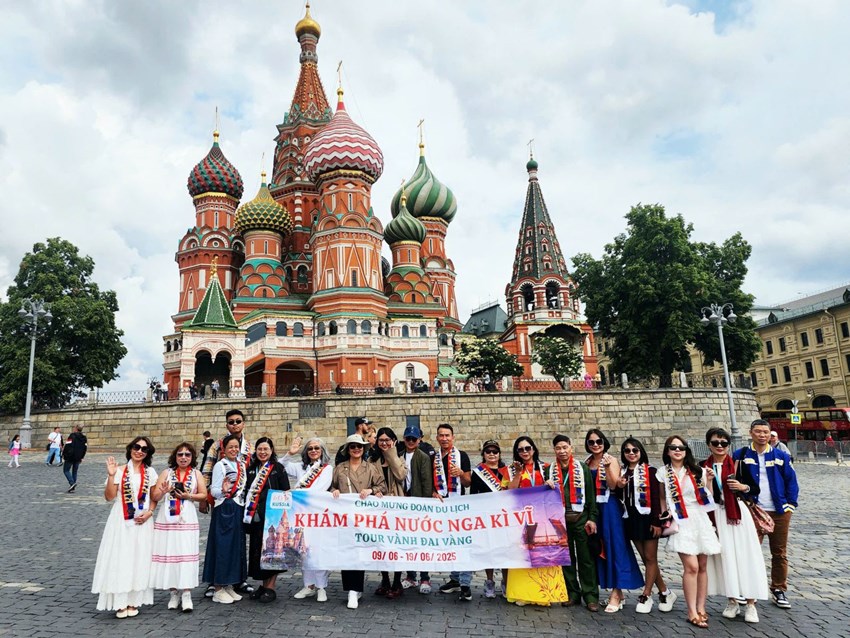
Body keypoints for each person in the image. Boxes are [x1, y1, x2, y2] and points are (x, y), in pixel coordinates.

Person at [702, 427, 768, 623]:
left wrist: (743, 487)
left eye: (724, 443)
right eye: (716, 443)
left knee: (744, 556)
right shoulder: (702, 467)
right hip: (717, 515)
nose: (720, 446)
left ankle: (750, 604)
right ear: (709, 445)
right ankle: (732, 600)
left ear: (728, 445)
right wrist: (708, 483)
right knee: (725, 558)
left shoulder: (738, 465)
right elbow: (703, 497)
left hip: (738, 515)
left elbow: (754, 488)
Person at [733, 419, 799, 610]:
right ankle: (747, 589)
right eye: (758, 431)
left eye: (765, 432)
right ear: (751, 433)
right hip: (754, 509)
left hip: (779, 510)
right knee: (750, 552)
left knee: (779, 553)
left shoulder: (781, 455)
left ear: (770, 434)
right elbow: (734, 479)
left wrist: (790, 505)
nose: (762, 435)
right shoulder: (741, 455)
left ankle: (778, 589)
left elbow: (791, 481)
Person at [91, 436, 159, 618]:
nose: (139, 451)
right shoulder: (119, 471)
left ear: (147, 454)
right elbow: (109, 497)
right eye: (137, 447)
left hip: (143, 522)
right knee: (121, 558)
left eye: (144, 449)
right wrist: (111, 475)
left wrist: (150, 512)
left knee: (139, 558)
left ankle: (133, 600)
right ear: (130, 449)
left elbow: (154, 497)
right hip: (121, 520)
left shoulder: (151, 472)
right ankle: (119, 602)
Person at [658, 435, 720, 629]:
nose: (678, 450)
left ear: (687, 451)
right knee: (691, 566)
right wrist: (663, 515)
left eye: (681, 447)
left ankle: (701, 607)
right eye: (673, 447)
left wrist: (709, 480)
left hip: (699, 518)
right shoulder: (662, 473)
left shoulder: (698, 471)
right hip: (680, 518)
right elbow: (661, 498)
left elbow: (707, 496)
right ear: (667, 451)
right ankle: (691, 611)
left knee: (702, 566)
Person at [584, 429, 644, 612]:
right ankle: (617, 591)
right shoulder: (586, 462)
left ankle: (617, 592)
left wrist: (608, 467)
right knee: (601, 549)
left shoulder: (612, 460)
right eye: (591, 442)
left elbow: (613, 485)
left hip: (610, 508)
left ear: (605, 442)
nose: (595, 445)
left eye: (598, 441)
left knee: (616, 547)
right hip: (595, 509)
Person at [505, 436, 568, 607]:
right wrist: (518, 473)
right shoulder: (510, 470)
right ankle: (522, 593)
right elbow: (509, 491)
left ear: (533, 449)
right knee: (523, 555)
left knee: (544, 554)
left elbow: (557, 490)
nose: (525, 452)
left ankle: (543, 594)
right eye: (520, 449)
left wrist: (551, 484)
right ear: (516, 452)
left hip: (543, 518)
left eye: (527, 448)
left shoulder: (546, 468)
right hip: (521, 518)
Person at [617, 437, 676, 614]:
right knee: (646, 559)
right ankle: (665, 591)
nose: (631, 454)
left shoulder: (651, 471)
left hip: (649, 519)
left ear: (641, 452)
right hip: (631, 519)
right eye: (627, 451)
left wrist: (657, 522)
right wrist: (619, 485)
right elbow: (619, 495)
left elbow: (659, 498)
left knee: (650, 558)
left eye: (635, 450)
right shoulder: (622, 472)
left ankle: (646, 595)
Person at [331, 433, 388, 609]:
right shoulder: (340, 468)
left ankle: (355, 589)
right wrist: (335, 491)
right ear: (348, 449)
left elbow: (382, 486)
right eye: (353, 446)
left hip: (364, 517)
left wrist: (371, 490)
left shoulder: (370, 468)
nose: (356, 449)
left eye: (359, 447)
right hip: (345, 517)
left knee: (358, 551)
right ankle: (351, 589)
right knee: (346, 551)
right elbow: (332, 485)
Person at [150, 442, 207, 612]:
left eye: (187, 455)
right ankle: (173, 592)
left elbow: (204, 494)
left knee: (186, 553)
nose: (183, 457)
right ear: (175, 457)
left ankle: (187, 593)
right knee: (170, 551)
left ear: (192, 458)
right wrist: (164, 491)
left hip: (187, 517)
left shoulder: (196, 474)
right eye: (180, 454)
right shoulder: (167, 473)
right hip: (168, 517)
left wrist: (189, 495)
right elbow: (155, 496)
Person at [544, 434, 599, 611]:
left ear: (571, 448)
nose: (562, 451)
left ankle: (590, 595)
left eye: (564, 447)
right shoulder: (549, 470)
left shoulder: (582, 468)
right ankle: (572, 593)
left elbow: (591, 495)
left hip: (580, 518)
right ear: (554, 450)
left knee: (586, 559)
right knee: (566, 559)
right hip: (559, 520)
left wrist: (592, 517)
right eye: (558, 448)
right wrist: (547, 485)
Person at [283, 436, 333, 602]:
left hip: (319, 516)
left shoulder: (327, 469)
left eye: (317, 448)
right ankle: (308, 585)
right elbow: (279, 466)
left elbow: (319, 490)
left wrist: (295, 492)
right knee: (304, 550)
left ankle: (321, 587)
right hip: (301, 515)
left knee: (319, 551)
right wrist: (290, 453)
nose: (313, 451)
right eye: (310, 448)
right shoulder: (300, 467)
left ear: (322, 451)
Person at [243, 437, 291, 603]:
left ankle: (271, 587)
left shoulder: (278, 468)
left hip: (272, 517)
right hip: (256, 517)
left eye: (266, 449)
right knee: (258, 552)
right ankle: (263, 586)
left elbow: (286, 492)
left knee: (272, 552)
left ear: (271, 451)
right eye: (259, 449)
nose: (262, 452)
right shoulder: (251, 470)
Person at [203, 433, 249, 604]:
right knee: (222, 547)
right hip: (224, 508)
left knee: (236, 547)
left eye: (236, 447)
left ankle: (230, 583)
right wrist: (223, 490)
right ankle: (218, 587)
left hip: (238, 508)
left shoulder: (241, 465)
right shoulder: (219, 466)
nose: (234, 450)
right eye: (230, 447)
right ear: (224, 449)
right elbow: (213, 491)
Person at [434, 423, 473, 601]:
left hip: (457, 504)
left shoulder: (461, 456)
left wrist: (461, 473)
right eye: (441, 435)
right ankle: (455, 579)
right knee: (448, 543)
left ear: (453, 437)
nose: (444, 438)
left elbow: (467, 482)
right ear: (437, 438)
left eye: (447, 435)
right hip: (439, 504)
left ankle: (465, 583)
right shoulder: (432, 457)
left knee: (461, 542)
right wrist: (433, 493)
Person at [469, 439, 510, 598]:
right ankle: (489, 581)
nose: (492, 454)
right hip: (487, 517)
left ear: (499, 454)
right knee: (490, 550)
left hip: (505, 517)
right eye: (488, 452)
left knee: (506, 551)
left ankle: (506, 582)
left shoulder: (508, 471)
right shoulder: (478, 472)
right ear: (483, 454)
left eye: (495, 452)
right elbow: (473, 496)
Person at [371, 427, 408, 599]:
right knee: (381, 545)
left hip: (397, 508)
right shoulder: (372, 460)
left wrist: (391, 454)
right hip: (379, 509)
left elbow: (400, 475)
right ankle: (385, 579)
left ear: (393, 441)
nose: (384, 443)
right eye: (381, 440)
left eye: (387, 440)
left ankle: (397, 581)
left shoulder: (400, 458)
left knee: (396, 545)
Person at [399, 424, 436, 594]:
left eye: (414, 439)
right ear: (404, 439)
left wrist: (425, 504)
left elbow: (426, 481)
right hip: (403, 502)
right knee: (407, 542)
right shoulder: (400, 455)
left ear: (419, 440)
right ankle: (411, 575)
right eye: (408, 438)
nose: (411, 441)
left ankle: (425, 576)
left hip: (418, 502)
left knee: (421, 542)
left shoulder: (422, 457)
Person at [63, 425, 88, 492]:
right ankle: (72, 487)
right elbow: (85, 448)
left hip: (70, 456)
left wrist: (64, 455)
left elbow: (68, 446)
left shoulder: (72, 435)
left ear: (76, 429)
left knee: (66, 470)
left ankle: (72, 483)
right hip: (78, 457)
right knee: (75, 471)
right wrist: (82, 456)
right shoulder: (84, 437)